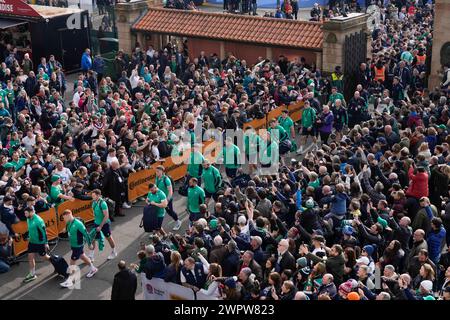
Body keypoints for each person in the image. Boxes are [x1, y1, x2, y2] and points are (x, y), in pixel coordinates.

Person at [60, 209, 97, 288]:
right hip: (73, 245)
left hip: (78, 245)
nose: (64, 220)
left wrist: (90, 244)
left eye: (64, 218)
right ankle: (93, 269)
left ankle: (70, 280)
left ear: (68, 215)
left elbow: (86, 234)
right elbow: (68, 228)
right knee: (82, 256)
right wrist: (65, 230)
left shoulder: (78, 224)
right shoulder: (69, 223)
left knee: (72, 261)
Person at [22, 207, 51, 283]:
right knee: (30, 258)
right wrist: (28, 235)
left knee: (45, 257)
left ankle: (56, 263)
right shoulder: (28, 218)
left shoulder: (38, 220)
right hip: (32, 242)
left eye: (26, 213)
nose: (25, 215)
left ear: (31, 212)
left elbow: (44, 232)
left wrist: (46, 243)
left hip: (40, 243)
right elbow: (30, 229)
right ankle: (32, 274)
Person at [89, 189, 117, 262]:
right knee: (92, 239)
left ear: (98, 195)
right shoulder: (94, 202)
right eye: (92, 196)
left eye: (94, 196)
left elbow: (106, 216)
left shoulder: (103, 203)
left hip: (104, 224)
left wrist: (100, 226)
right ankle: (91, 256)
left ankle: (114, 252)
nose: (92, 197)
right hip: (96, 223)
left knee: (109, 238)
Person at [155, 165, 181, 231]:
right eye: (156, 171)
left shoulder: (166, 179)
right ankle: (157, 229)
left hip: (166, 199)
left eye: (158, 171)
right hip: (159, 198)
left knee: (170, 212)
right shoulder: (157, 178)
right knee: (157, 213)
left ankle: (178, 222)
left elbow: (170, 191)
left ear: (162, 171)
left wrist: (167, 200)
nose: (156, 173)